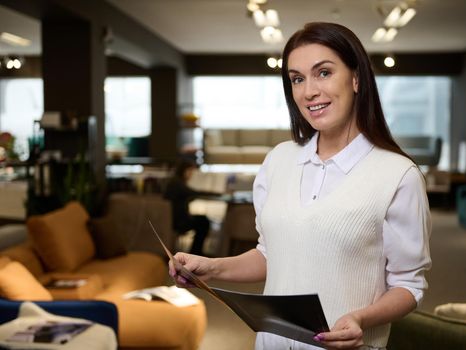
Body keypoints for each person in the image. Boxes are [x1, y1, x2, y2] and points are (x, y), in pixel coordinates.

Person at [170, 22, 431, 350]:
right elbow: (271, 254)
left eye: (323, 73)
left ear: (356, 79)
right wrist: (213, 267)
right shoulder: (278, 160)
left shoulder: (398, 175)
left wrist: (362, 319)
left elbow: (408, 286)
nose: (309, 91)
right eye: (297, 78)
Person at [164, 158, 219, 256]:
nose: (191, 175)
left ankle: (195, 252)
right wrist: (214, 193)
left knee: (202, 220)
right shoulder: (177, 183)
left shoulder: (174, 182)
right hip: (179, 222)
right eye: (190, 172)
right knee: (203, 222)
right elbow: (192, 193)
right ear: (185, 171)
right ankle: (195, 253)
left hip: (173, 219)